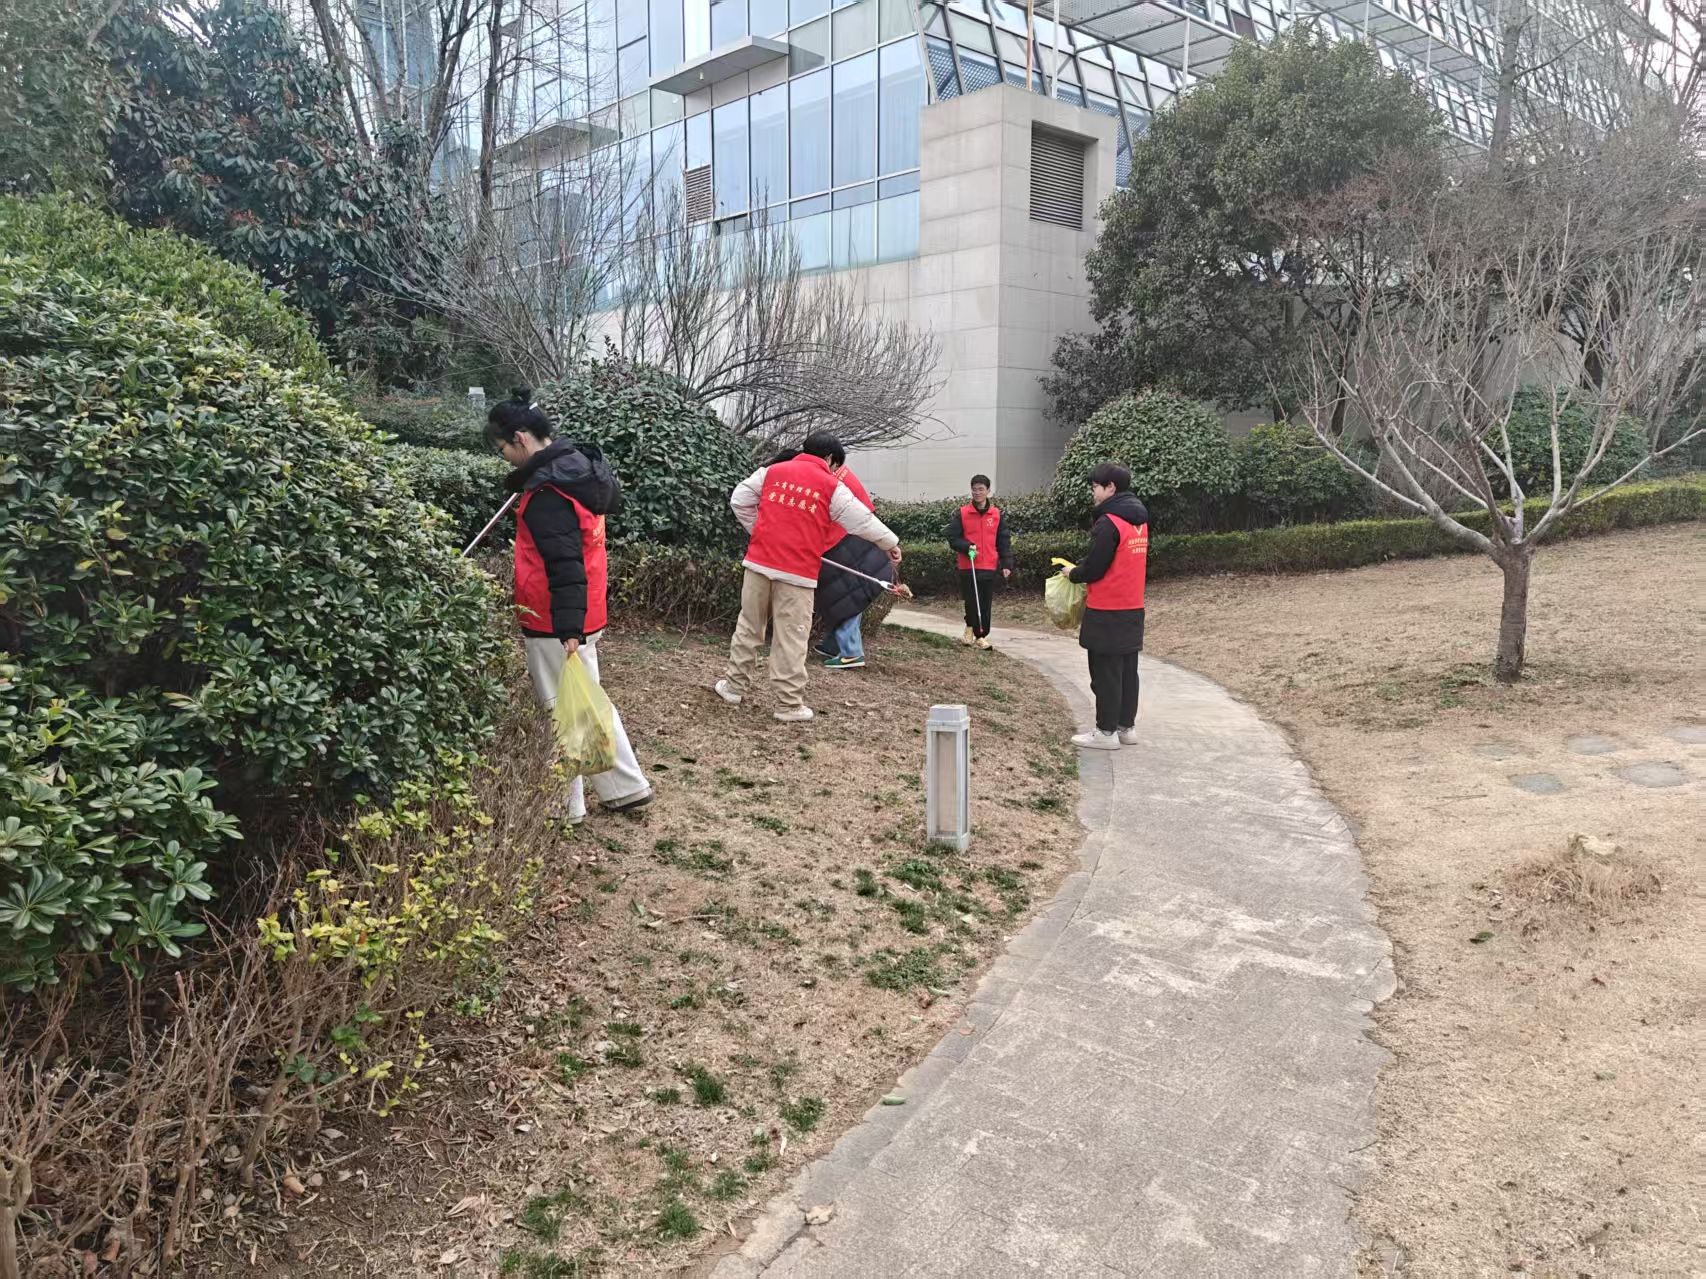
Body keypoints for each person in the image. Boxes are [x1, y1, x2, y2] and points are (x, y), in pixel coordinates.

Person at [488, 389, 652, 820]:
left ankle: (567, 806)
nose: (505, 457)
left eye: (503, 448)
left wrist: (567, 630)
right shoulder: (577, 471)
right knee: (583, 699)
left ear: (521, 438)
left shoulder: (549, 492)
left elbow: (563, 564)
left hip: (555, 617)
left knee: (562, 708)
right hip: (583, 608)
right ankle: (624, 787)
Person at [715, 432, 901, 722]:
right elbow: (862, 520)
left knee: (749, 626)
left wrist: (760, 531)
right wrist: (890, 543)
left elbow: (740, 500)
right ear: (829, 458)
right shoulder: (831, 485)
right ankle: (788, 704)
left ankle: (733, 687)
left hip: (759, 563)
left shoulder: (772, 471)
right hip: (797, 572)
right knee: (791, 636)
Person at [1062, 462, 1149, 751]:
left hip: (1107, 607)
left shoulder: (1108, 522)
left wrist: (1073, 573)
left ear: (1110, 488)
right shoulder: (1139, 521)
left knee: (1105, 673)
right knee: (1127, 670)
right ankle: (1126, 728)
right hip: (1133, 605)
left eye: (1095, 487)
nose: (1093, 493)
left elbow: (1095, 567)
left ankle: (1105, 731)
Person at [813, 449, 889, 672]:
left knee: (845, 598)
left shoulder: (830, 480)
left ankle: (850, 652)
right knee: (842, 597)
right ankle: (834, 644)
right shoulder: (841, 475)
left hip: (843, 545)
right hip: (853, 543)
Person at [946, 474, 1012, 649]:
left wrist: (1006, 563)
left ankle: (981, 634)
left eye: (981, 489)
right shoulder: (962, 513)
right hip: (969, 565)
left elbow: (1003, 541)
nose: (977, 493)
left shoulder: (996, 515)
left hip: (989, 565)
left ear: (988, 491)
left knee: (985, 602)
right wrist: (967, 546)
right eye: (974, 489)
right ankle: (974, 630)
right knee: (971, 600)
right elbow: (952, 538)